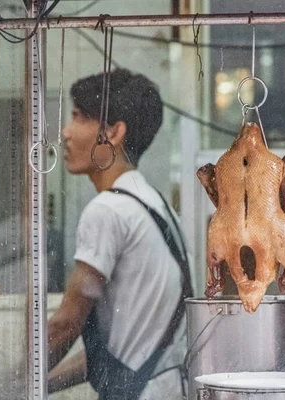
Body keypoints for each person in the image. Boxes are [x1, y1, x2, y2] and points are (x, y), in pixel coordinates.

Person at [47, 68, 192, 400]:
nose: (66, 132)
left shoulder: (108, 211)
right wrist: (44, 383)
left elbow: (65, 324)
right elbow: (122, 351)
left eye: (79, 117)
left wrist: (10, 384)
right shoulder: (156, 206)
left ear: (113, 133)